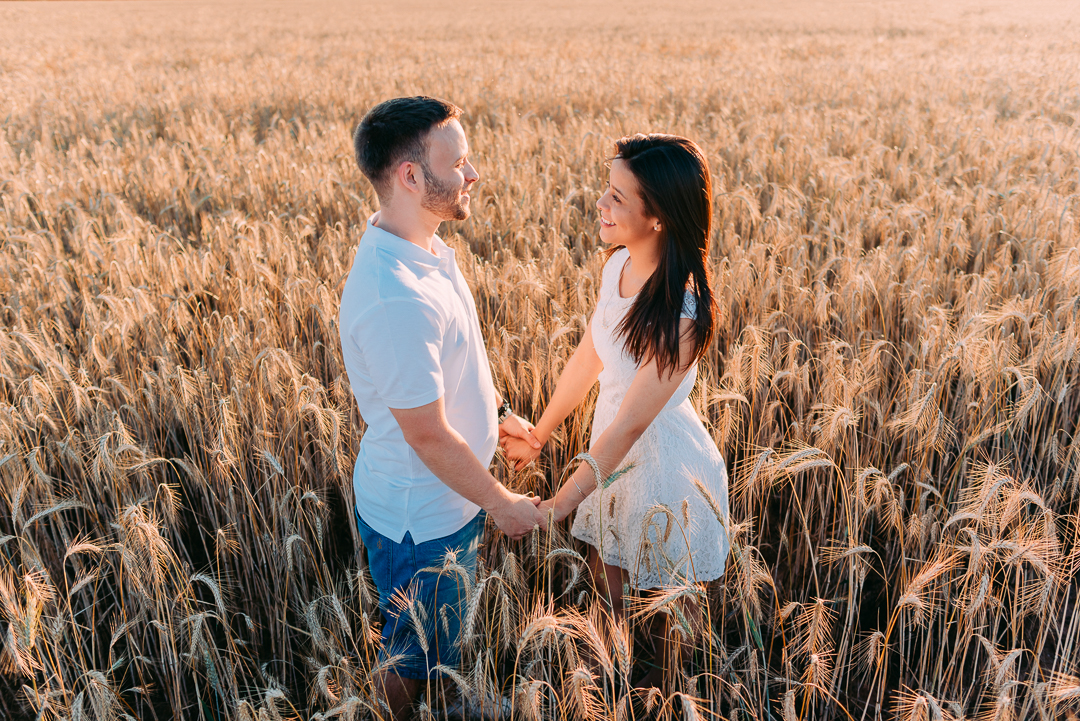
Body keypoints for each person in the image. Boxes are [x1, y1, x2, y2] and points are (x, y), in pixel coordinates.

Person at [339, 96, 546, 720]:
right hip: (421, 518)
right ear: (409, 176)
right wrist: (501, 502)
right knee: (415, 659)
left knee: (437, 643)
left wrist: (497, 410)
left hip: (446, 502)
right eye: (457, 162)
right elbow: (427, 435)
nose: (473, 174)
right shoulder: (394, 295)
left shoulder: (423, 247)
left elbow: (448, 367)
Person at [503, 133, 730, 688]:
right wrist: (541, 432)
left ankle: (668, 697)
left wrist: (559, 503)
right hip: (610, 464)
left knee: (667, 627)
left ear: (658, 217)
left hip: (664, 474)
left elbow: (631, 425)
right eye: (606, 190)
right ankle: (616, 693)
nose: (601, 204)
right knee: (612, 607)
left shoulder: (681, 310)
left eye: (618, 197)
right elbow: (590, 355)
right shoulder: (618, 267)